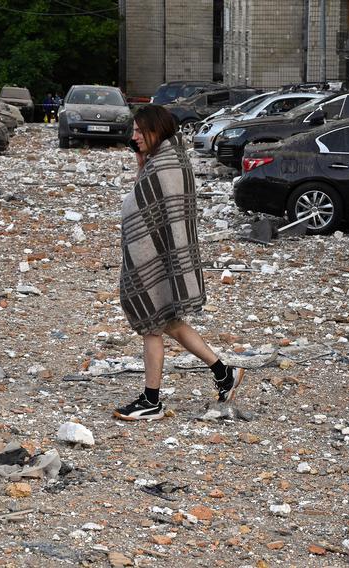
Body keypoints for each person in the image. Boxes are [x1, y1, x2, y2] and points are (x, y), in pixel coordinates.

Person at [114, 104, 244, 421]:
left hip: (157, 258)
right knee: (168, 322)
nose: (133, 136)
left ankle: (151, 401)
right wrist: (140, 161)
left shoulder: (166, 166)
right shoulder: (167, 159)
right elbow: (144, 196)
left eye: (138, 131)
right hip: (164, 256)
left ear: (154, 130)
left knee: (151, 325)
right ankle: (224, 372)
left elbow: (137, 205)